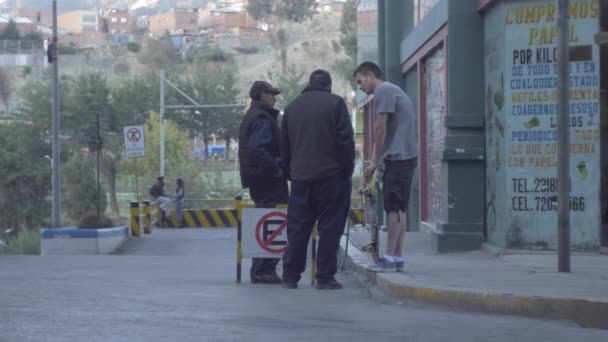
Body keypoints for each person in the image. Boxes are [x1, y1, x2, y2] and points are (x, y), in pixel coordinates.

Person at [280, 69, 355, 290]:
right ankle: (324, 277)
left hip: (301, 179)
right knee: (329, 228)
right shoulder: (336, 103)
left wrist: (291, 173)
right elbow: (345, 141)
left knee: (297, 229)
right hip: (331, 177)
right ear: (328, 86)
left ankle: (290, 276)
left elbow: (283, 147)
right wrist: (346, 171)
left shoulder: (291, 108)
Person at [353, 61, 419, 272]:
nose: (360, 87)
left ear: (371, 75)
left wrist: (373, 162)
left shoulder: (384, 91)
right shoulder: (393, 90)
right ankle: (397, 257)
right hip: (404, 157)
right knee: (399, 208)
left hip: (398, 158)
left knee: (393, 208)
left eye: (360, 81)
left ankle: (390, 258)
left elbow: (380, 127)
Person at [238, 80, 288, 284]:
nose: (274, 98)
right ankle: (264, 268)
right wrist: (276, 169)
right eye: (271, 94)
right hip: (267, 179)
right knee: (273, 220)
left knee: (265, 220)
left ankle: (261, 268)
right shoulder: (262, 118)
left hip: (257, 178)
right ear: (260, 95)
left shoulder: (252, 116)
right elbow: (258, 149)